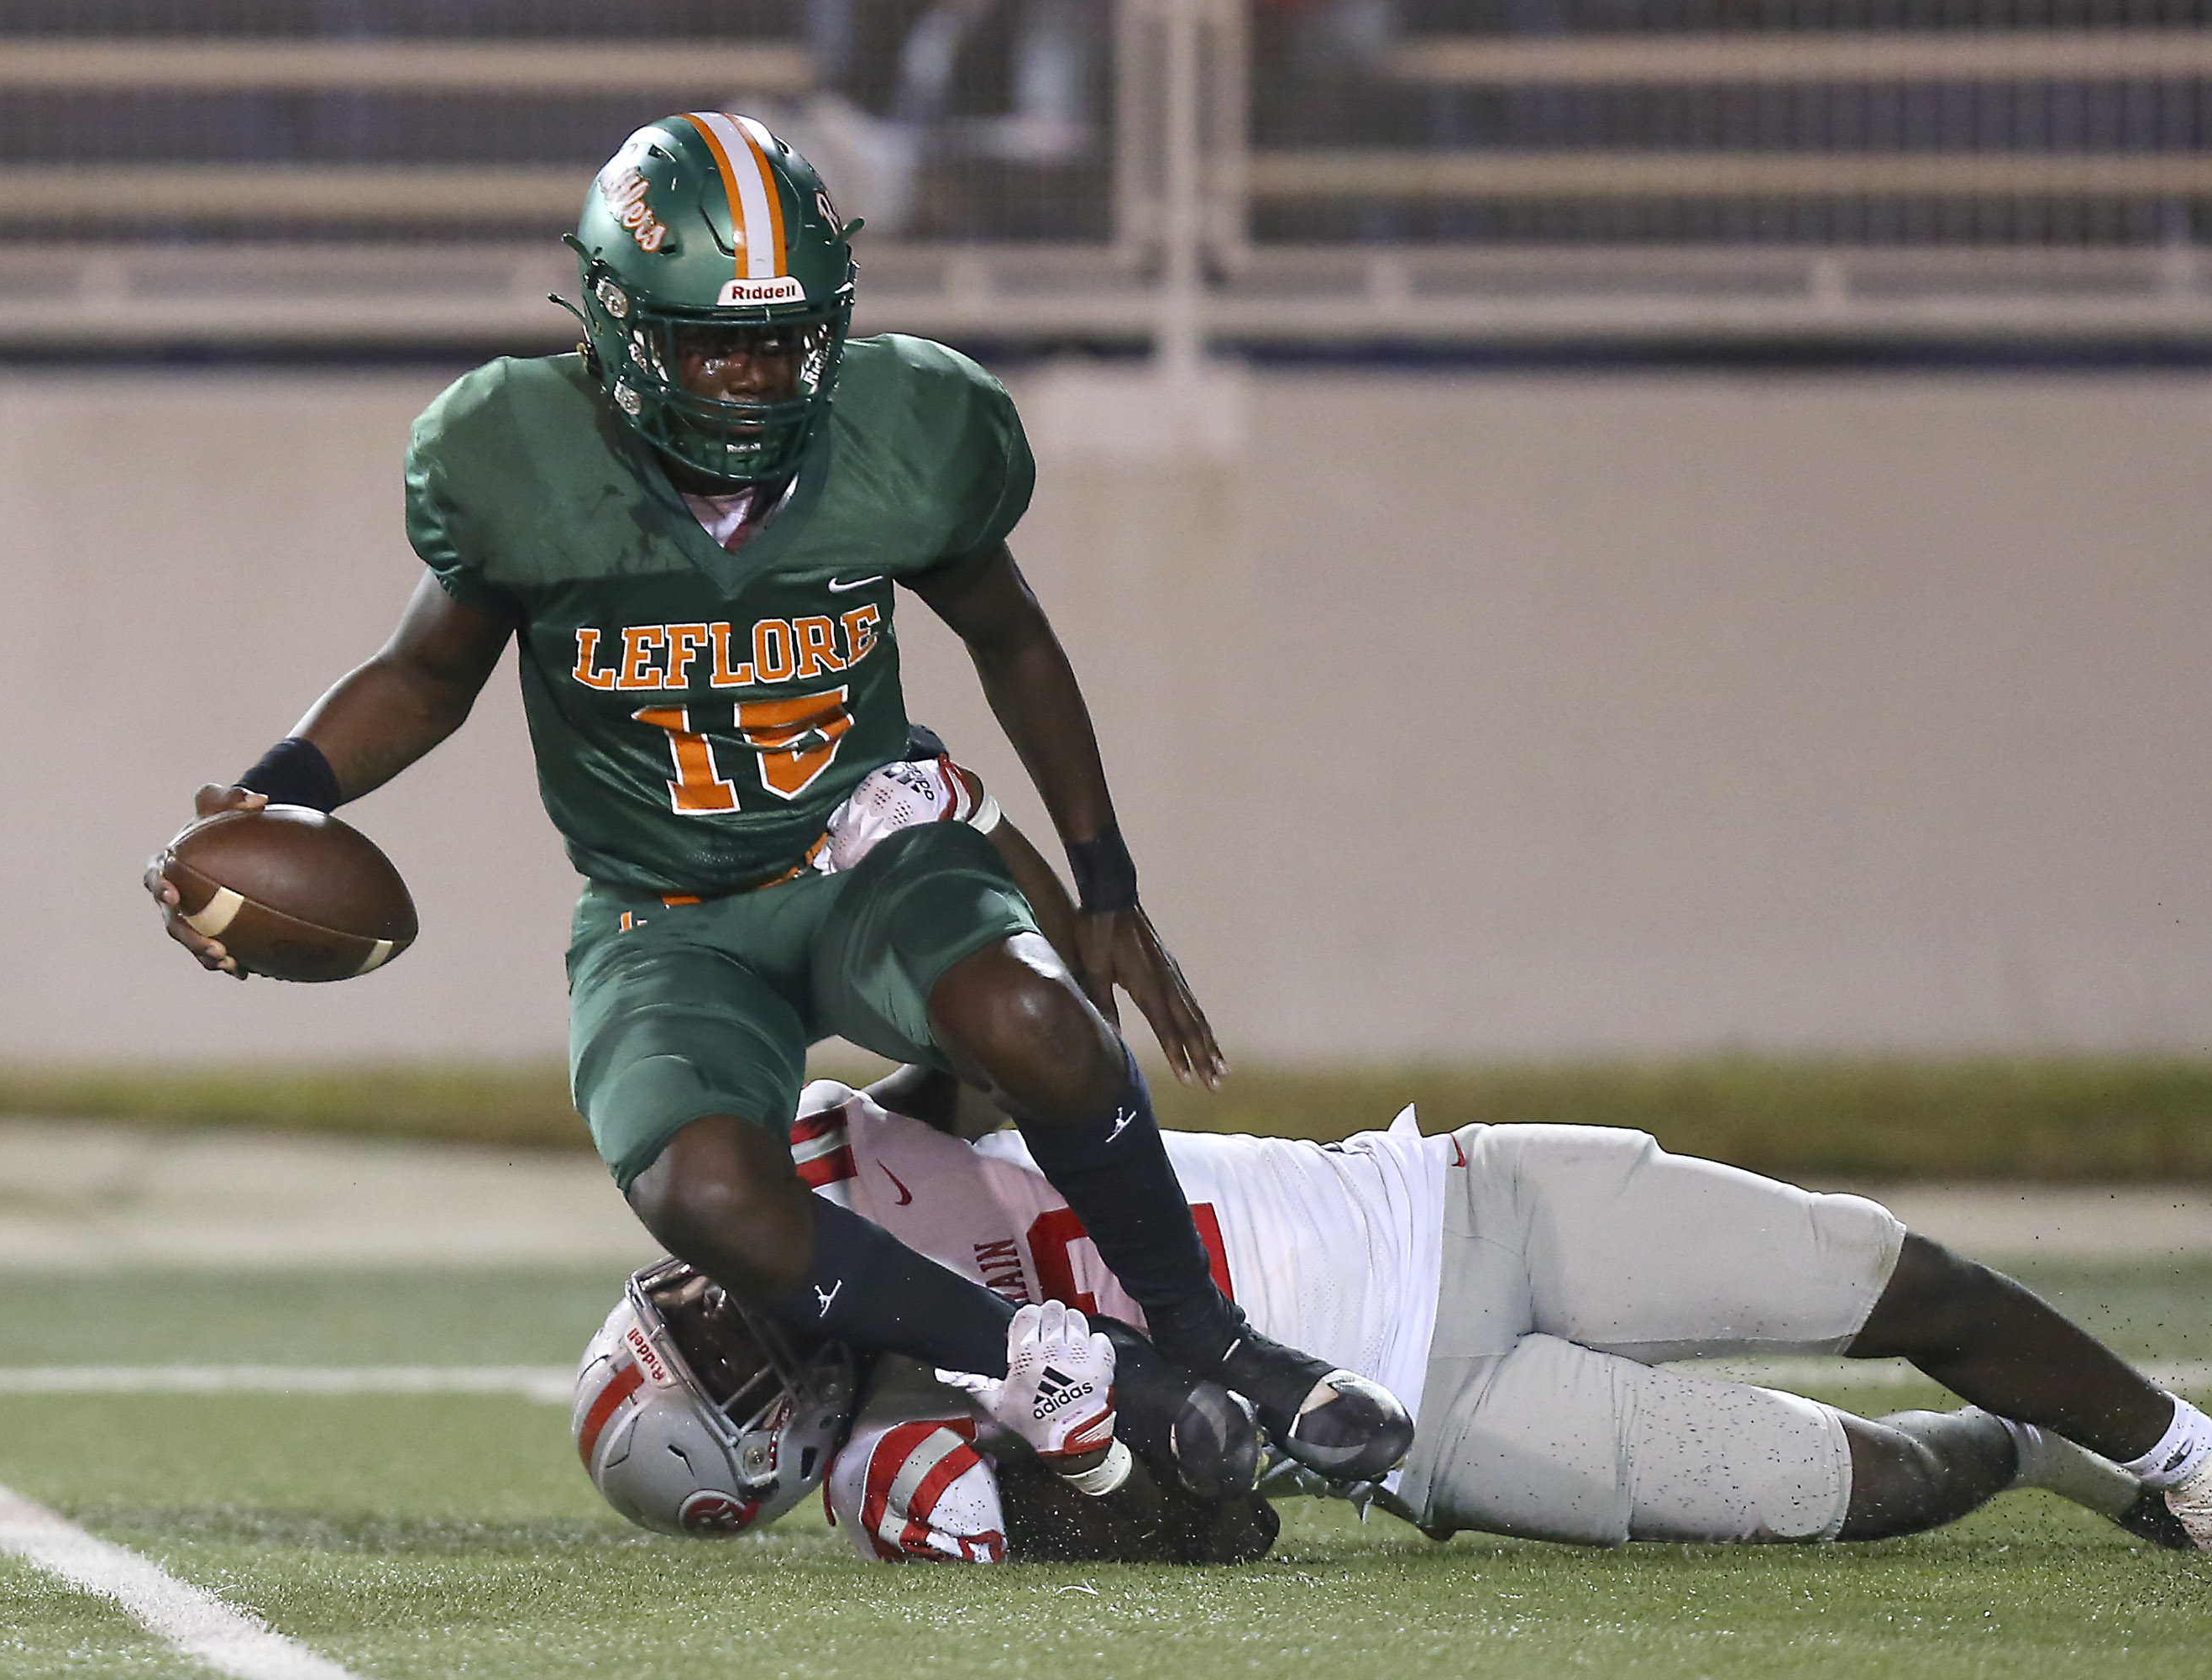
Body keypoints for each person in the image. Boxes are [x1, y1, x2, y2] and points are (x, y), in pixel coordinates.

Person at [144, 110, 1402, 1488]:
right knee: (700, 1189)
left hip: (864, 854)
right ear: (624, 329)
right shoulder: (522, 454)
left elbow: (1015, 636)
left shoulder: (905, 427)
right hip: (664, 916)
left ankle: (1208, 1338)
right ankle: (1055, 1363)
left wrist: (1105, 885)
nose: (751, 375)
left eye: (784, 336)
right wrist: (279, 796)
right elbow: (422, 674)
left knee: (1035, 1019)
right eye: (714, 341)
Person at [572, 763, 2212, 1563]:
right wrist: (1087, 1462)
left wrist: (947, 827)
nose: (744, 1306)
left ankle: (2185, 1456)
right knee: (1864, 1488)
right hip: (1436, 1430)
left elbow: (1013, 1001)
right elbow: (1227, 1544)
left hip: (1446, 1200)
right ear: (762, 1460)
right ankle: (2042, 1449)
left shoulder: (833, 1155)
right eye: (724, 1356)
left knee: (1879, 1269)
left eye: (697, 1303)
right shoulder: (897, 1472)